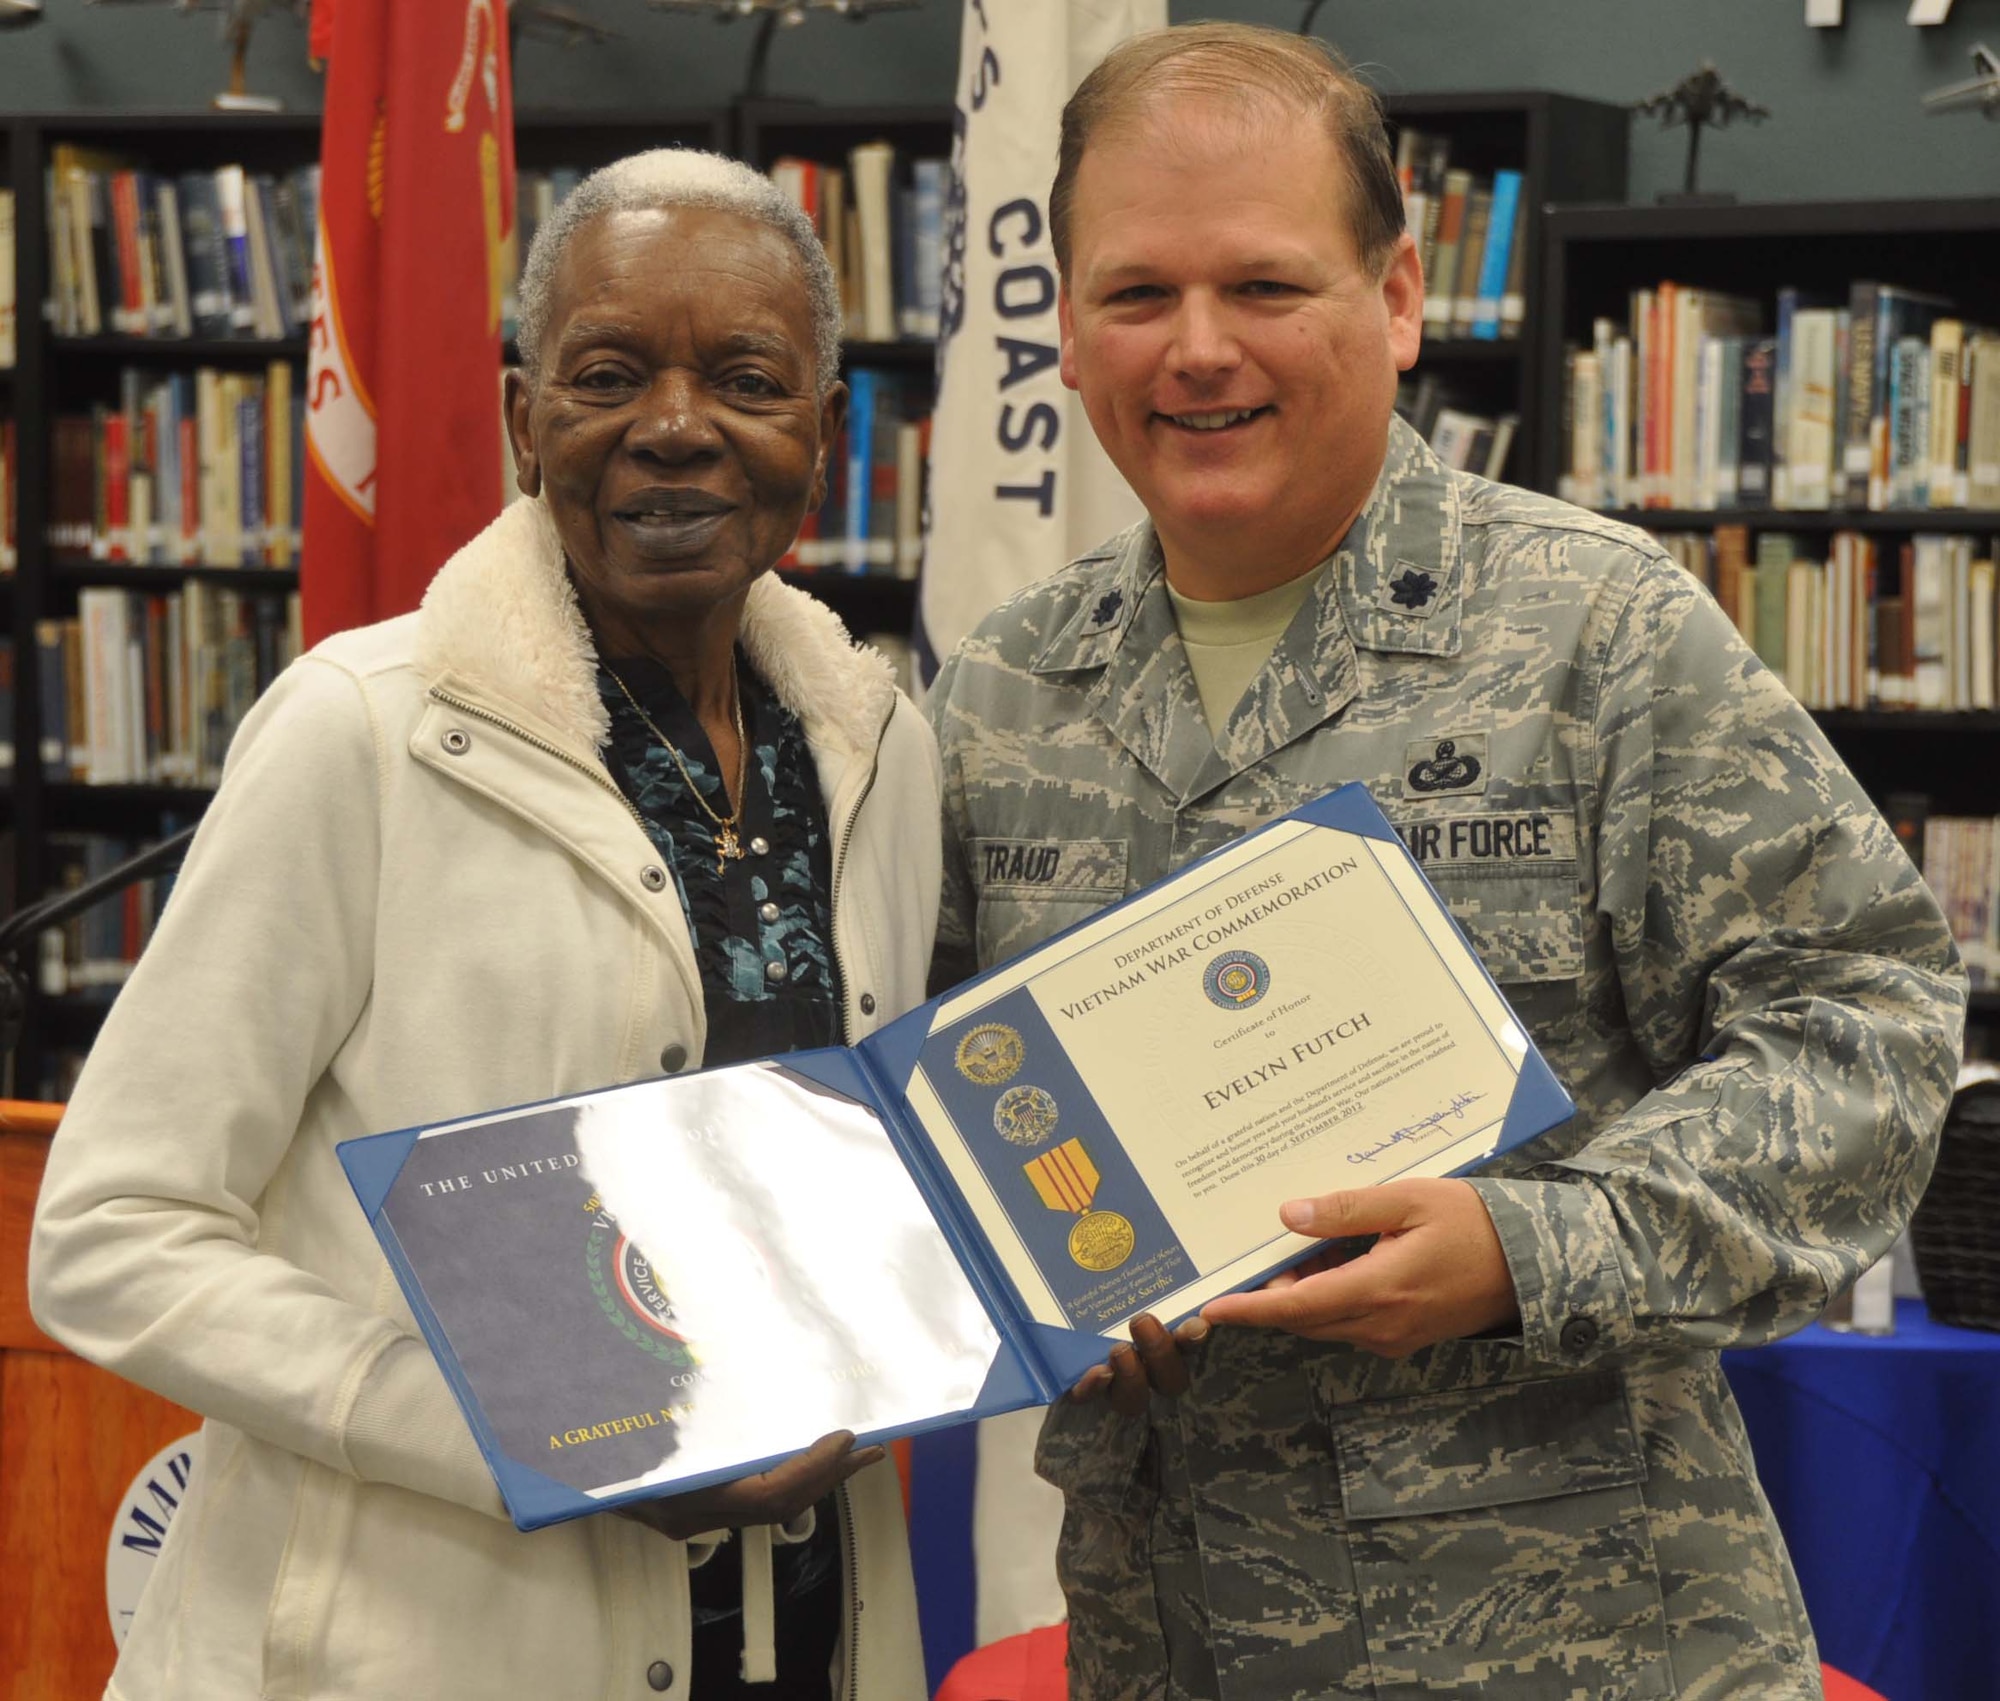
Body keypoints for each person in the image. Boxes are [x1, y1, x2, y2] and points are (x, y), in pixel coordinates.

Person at [925, 23, 1966, 1699]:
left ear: (1398, 298)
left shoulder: (1600, 634)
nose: (1197, 351)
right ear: (1067, 323)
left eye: (1264, 287)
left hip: (1583, 1643)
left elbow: (1872, 1030)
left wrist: (1532, 1247)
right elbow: (944, 1131)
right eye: (1134, 295)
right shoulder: (999, 691)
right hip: (1168, 1633)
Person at [31, 149, 936, 1701]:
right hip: (428, 1638)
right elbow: (110, 1232)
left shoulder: (878, 749)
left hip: (807, 1629)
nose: (674, 425)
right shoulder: (362, 732)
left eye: (745, 377)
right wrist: (521, 1434)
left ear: (824, 434)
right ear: (525, 419)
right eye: (607, 373)